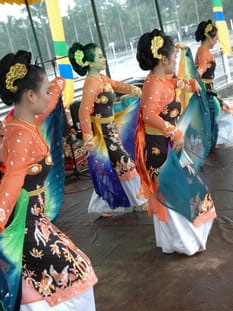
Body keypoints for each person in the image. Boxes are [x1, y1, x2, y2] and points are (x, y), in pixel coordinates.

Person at [0, 50, 97, 311]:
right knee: (75, 272)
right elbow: (8, 189)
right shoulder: (19, 136)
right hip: (26, 229)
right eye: (42, 92)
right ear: (29, 96)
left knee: (76, 269)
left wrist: (56, 83)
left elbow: (52, 99)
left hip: (38, 223)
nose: (47, 97)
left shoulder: (24, 120)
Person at [135, 29, 216, 256]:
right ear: (163, 59)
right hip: (159, 149)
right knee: (176, 194)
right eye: (173, 58)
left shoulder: (163, 80)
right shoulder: (154, 85)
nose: (175, 62)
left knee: (181, 192)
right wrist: (174, 131)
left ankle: (178, 242)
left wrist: (190, 83)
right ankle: (184, 243)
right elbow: (149, 115)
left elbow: (174, 83)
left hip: (168, 146)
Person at [68, 42, 147, 216]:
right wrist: (88, 138)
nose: (104, 59)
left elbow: (117, 85)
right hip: (102, 133)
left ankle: (100, 205)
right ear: (90, 63)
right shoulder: (91, 83)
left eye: (103, 55)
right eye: (100, 57)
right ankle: (140, 200)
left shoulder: (102, 79)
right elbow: (83, 111)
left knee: (109, 167)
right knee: (124, 162)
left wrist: (134, 89)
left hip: (111, 128)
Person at [195, 19, 230, 150]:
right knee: (211, 120)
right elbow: (200, 72)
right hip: (207, 92)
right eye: (215, 38)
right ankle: (211, 146)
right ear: (209, 37)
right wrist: (197, 74)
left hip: (208, 90)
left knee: (210, 119)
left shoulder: (200, 50)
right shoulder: (205, 53)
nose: (216, 40)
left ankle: (211, 144)